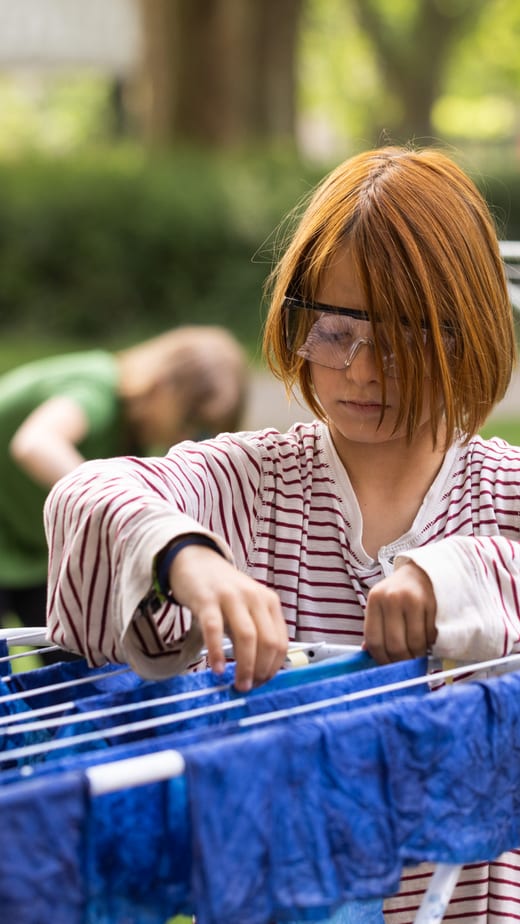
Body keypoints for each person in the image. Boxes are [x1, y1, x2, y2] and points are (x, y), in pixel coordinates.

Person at [44, 146, 519, 922]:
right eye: (332, 331)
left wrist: (460, 579)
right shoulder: (254, 483)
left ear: (464, 335)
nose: (359, 371)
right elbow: (87, 492)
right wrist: (186, 556)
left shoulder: (504, 493)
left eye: (399, 339)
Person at [0, 325, 247, 631]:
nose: (187, 437)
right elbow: (35, 443)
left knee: (82, 659)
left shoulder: (137, 438)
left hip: (31, 551)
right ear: (163, 384)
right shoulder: (97, 387)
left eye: (203, 434)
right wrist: (119, 501)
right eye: (189, 420)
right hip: (11, 539)